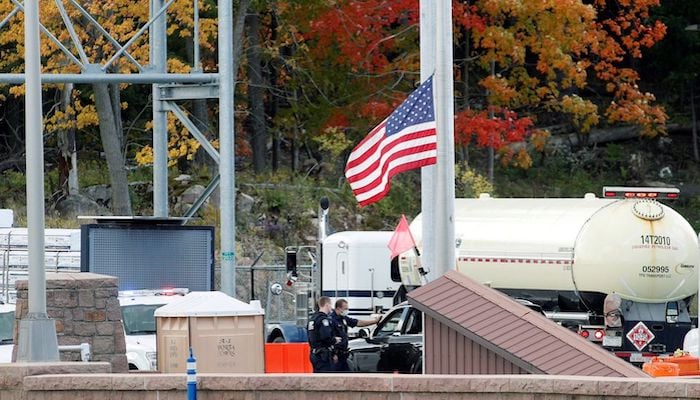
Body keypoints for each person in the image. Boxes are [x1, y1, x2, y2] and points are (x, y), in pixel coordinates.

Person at [330, 298, 382, 372]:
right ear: (338, 308)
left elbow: (357, 323)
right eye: (345, 308)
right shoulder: (332, 320)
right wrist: (333, 354)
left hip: (344, 354)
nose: (347, 310)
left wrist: (374, 321)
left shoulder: (343, 318)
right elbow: (329, 338)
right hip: (336, 354)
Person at [307, 296, 341, 372]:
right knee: (326, 377)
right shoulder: (323, 320)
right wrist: (334, 340)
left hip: (314, 353)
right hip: (323, 355)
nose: (331, 308)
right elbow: (325, 337)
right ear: (327, 305)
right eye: (330, 305)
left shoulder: (312, 319)